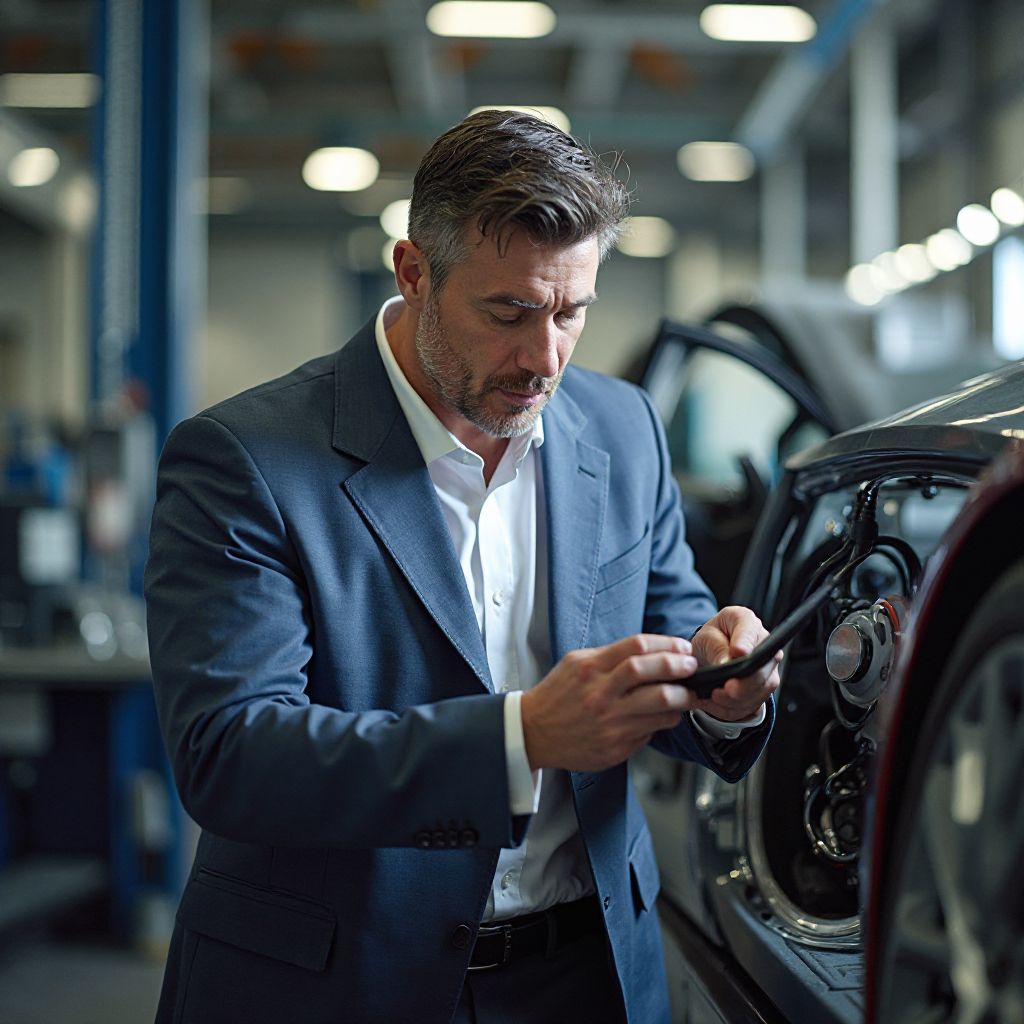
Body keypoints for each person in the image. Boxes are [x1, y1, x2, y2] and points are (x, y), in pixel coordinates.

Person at [146, 109, 780, 1024]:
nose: (546, 356)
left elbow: (676, 625)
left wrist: (725, 686)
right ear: (414, 273)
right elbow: (231, 755)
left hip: (589, 974)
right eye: (509, 312)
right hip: (341, 982)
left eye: (573, 311)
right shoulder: (245, 459)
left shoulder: (622, 428)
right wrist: (521, 738)